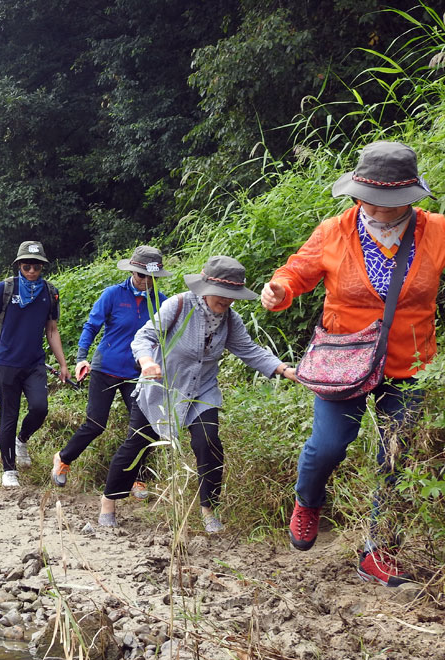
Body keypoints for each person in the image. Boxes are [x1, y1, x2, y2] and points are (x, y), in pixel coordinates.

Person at [262, 141, 444, 586]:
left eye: (391, 203)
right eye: (372, 201)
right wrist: (279, 290)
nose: (380, 211)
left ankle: (378, 552)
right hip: (344, 361)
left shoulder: (436, 231)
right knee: (326, 446)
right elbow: (296, 272)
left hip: (411, 363)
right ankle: (307, 502)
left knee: (395, 457)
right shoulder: (334, 231)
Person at [101, 256, 297, 533]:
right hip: (161, 388)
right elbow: (144, 337)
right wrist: (147, 362)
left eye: (233, 296)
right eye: (223, 294)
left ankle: (208, 510)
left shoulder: (230, 318)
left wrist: (283, 369)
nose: (228, 301)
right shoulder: (179, 305)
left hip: (201, 390)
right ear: (205, 287)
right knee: (136, 446)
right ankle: (108, 502)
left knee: (209, 443)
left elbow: (249, 350)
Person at [52, 246, 171, 490]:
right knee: (96, 424)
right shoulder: (113, 295)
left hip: (138, 373)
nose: (146, 282)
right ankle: (63, 459)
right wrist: (80, 358)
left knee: (145, 427)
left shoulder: (163, 302)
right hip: (106, 368)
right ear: (132, 272)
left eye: (151, 278)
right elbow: (91, 326)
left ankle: (135, 477)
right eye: (141, 276)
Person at [0, 240, 69, 487]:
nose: (31, 270)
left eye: (36, 266)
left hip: (34, 363)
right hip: (7, 362)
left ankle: (21, 440)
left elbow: (52, 330)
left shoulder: (50, 292)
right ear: (19, 265)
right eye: (26, 265)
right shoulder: (6, 288)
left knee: (40, 408)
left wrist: (63, 364)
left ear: (43, 266)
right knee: (8, 416)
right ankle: (8, 469)